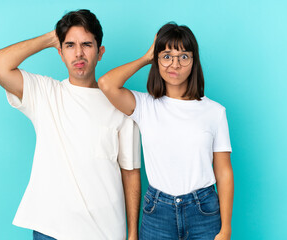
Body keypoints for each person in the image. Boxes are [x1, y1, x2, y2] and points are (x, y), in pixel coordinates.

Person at [0, 9, 141, 240]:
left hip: (105, 231)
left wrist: (133, 234)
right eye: (69, 45)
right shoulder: (45, 92)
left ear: (100, 53)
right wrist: (50, 37)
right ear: (60, 52)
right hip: (52, 229)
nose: (79, 53)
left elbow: (131, 173)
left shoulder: (122, 105)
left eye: (87, 44)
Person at [98, 23, 234, 240]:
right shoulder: (144, 105)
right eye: (167, 56)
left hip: (203, 211)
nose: (175, 64)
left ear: (193, 61)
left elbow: (224, 172)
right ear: (157, 60)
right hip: (157, 211)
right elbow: (106, 84)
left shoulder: (215, 112)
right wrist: (146, 57)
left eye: (183, 57)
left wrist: (225, 228)